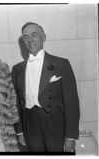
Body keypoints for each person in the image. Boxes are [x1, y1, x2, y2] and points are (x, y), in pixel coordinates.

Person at [12, 22, 80, 153]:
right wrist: (19, 131)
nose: (30, 40)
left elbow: (72, 103)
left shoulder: (61, 64)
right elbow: (15, 104)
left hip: (55, 123)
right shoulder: (17, 69)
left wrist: (70, 136)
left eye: (34, 35)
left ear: (44, 37)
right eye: (25, 37)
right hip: (30, 124)